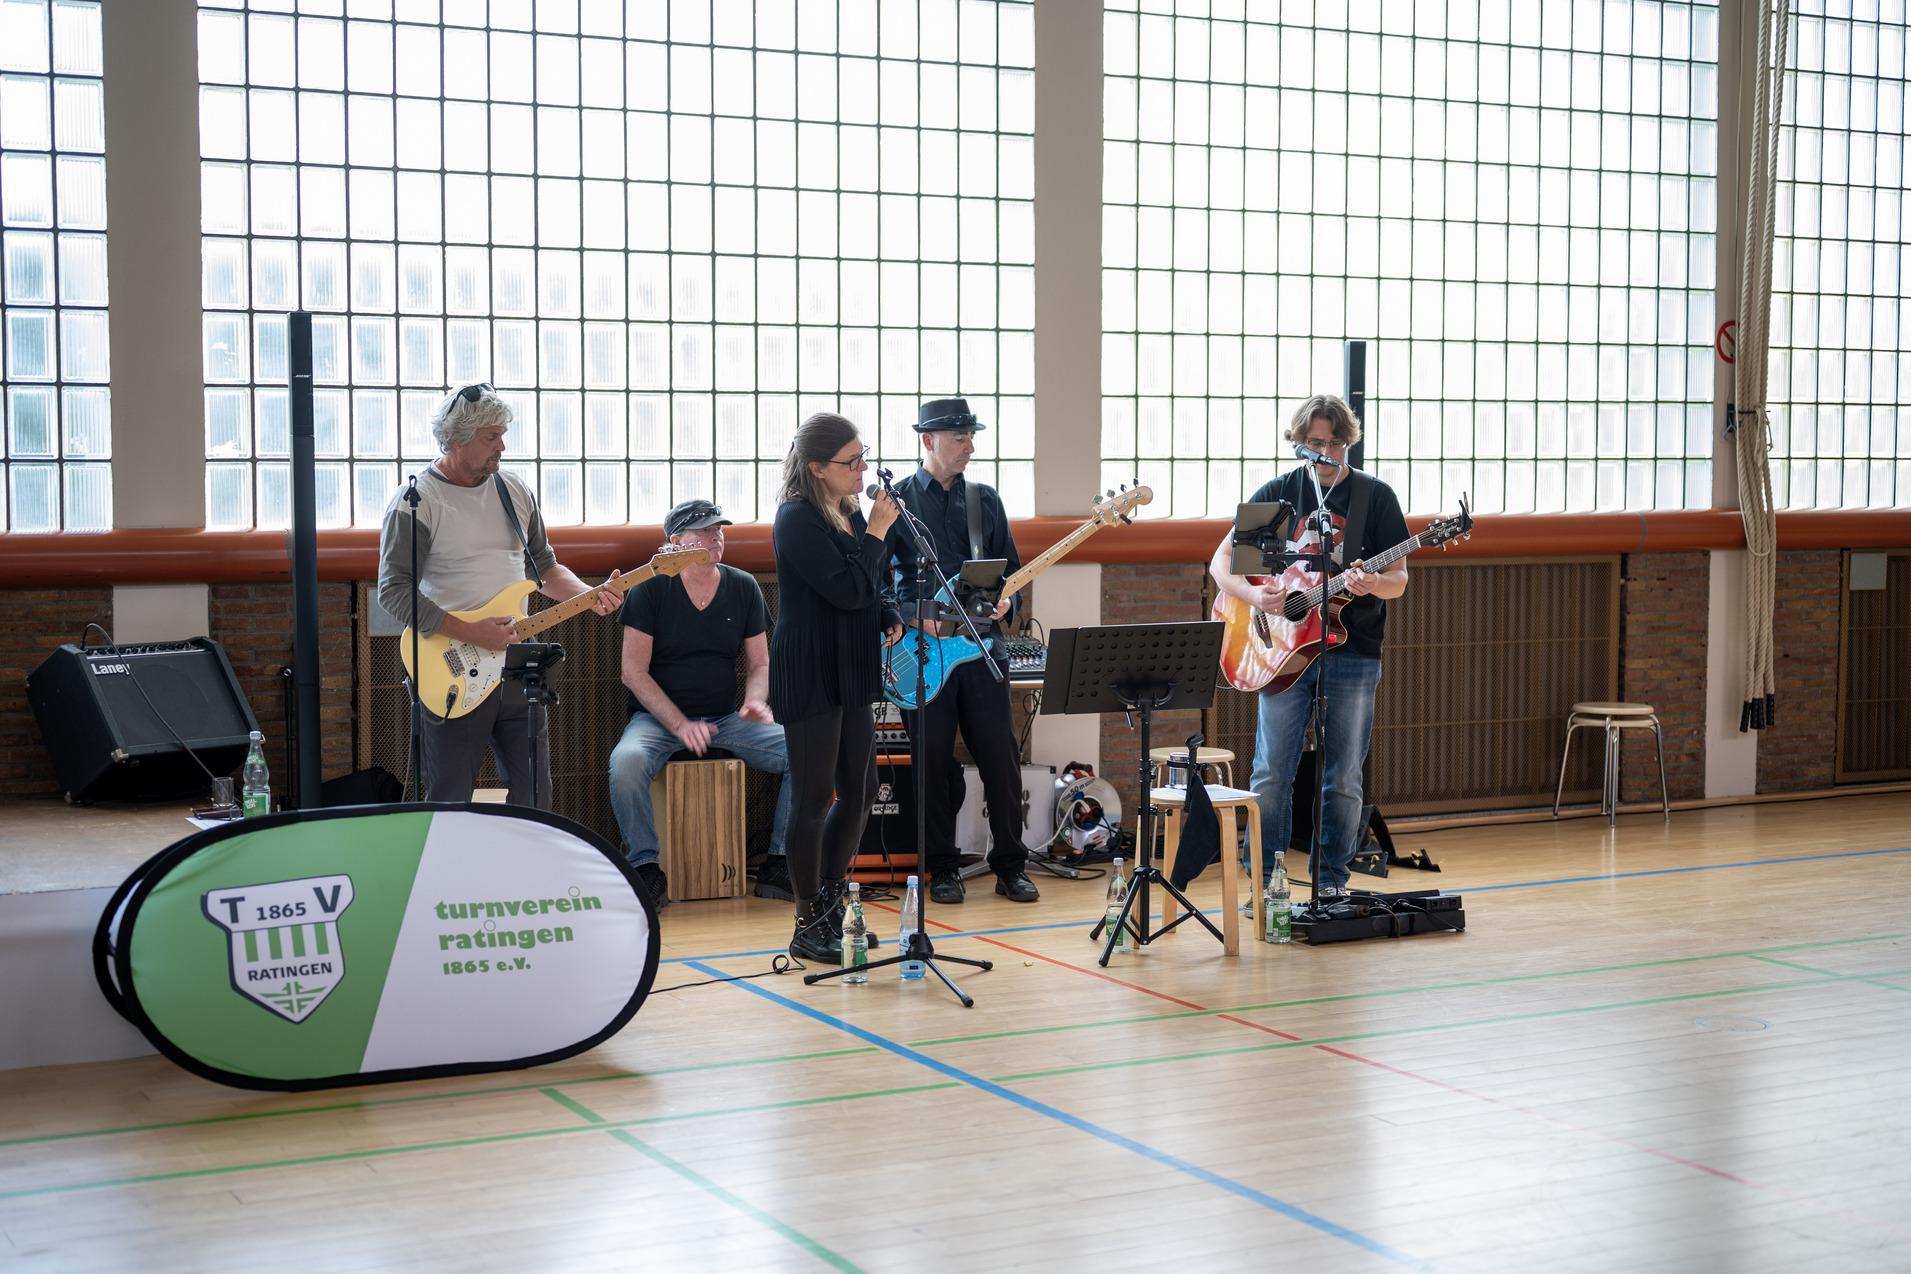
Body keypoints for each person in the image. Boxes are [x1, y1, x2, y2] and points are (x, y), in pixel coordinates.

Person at [377, 383, 620, 806]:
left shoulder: (514, 491)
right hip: (449, 665)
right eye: (491, 437)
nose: (502, 446)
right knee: (449, 799)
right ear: (456, 437)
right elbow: (393, 590)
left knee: (535, 797)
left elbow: (543, 567)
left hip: (516, 666)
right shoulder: (417, 501)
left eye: (503, 435)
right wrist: (471, 632)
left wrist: (589, 594)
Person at [1207, 394, 1409, 898]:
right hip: (1279, 650)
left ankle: (1333, 883)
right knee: (1273, 770)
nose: (1328, 452)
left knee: (1343, 773)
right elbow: (1222, 562)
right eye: (1317, 443)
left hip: (1353, 648)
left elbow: (1399, 579)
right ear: (1299, 444)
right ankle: (1266, 887)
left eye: (1337, 443)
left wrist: (1372, 585)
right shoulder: (1278, 494)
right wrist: (1259, 596)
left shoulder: (1374, 497)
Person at [885, 397, 1040, 905]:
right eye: (959, 437)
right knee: (931, 763)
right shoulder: (895, 501)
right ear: (927, 441)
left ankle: (1011, 864)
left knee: (1000, 758)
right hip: (924, 652)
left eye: (972, 436)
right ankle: (941, 868)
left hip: (981, 648)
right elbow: (875, 585)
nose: (970, 446)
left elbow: (1010, 574)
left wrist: (1007, 603)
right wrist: (913, 616)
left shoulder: (985, 499)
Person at [607, 499, 795, 911]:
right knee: (627, 763)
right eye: (704, 531)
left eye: (719, 530)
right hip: (657, 722)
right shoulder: (650, 588)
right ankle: (645, 868)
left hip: (726, 718)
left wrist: (755, 702)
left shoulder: (743, 586)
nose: (715, 538)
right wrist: (678, 725)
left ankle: (780, 863)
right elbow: (633, 672)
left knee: (804, 752)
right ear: (675, 542)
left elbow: (760, 662)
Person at [770, 413, 903, 961]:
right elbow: (845, 589)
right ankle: (807, 920)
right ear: (818, 468)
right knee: (813, 796)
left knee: (862, 789)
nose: (863, 469)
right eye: (852, 462)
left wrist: (886, 610)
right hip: (811, 670)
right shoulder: (796, 519)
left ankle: (830, 901)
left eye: (863, 455)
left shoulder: (847, 513)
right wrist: (876, 533)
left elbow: (863, 589)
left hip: (851, 667)